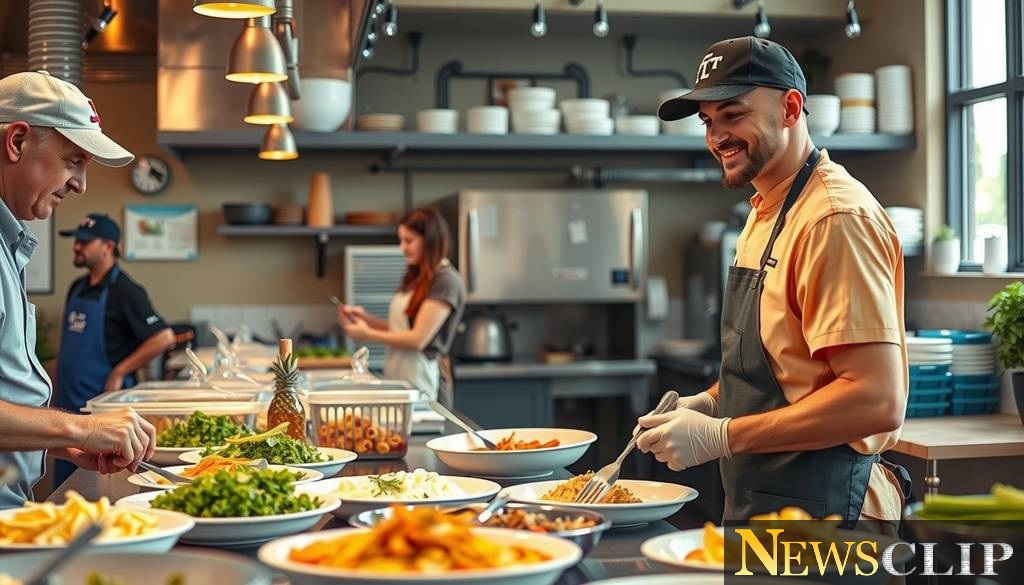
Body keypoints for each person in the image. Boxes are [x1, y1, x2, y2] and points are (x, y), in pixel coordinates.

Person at [638, 37, 909, 533]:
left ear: (789, 108)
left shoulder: (833, 218)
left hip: (831, 513)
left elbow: (877, 398)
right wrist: (713, 402)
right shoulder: (766, 209)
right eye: (708, 121)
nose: (717, 136)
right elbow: (786, 370)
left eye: (733, 114)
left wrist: (721, 435)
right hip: (770, 505)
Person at [0, 70, 155, 508]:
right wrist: (80, 429)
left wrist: (63, 446)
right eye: (73, 161)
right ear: (16, 142)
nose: (81, 185)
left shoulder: (10, 244)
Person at [53, 213, 174, 484]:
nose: (76, 246)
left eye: (84, 241)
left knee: (98, 485)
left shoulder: (126, 290)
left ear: (108, 247)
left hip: (102, 412)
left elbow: (163, 337)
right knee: (62, 486)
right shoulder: (77, 287)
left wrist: (120, 371)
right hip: (65, 404)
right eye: (76, 241)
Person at [337, 208, 466, 407]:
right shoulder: (417, 278)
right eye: (401, 240)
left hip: (425, 378)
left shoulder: (446, 281)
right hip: (401, 373)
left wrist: (367, 333)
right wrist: (366, 318)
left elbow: (417, 339)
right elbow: (401, 329)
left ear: (430, 240)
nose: (402, 248)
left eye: (409, 240)